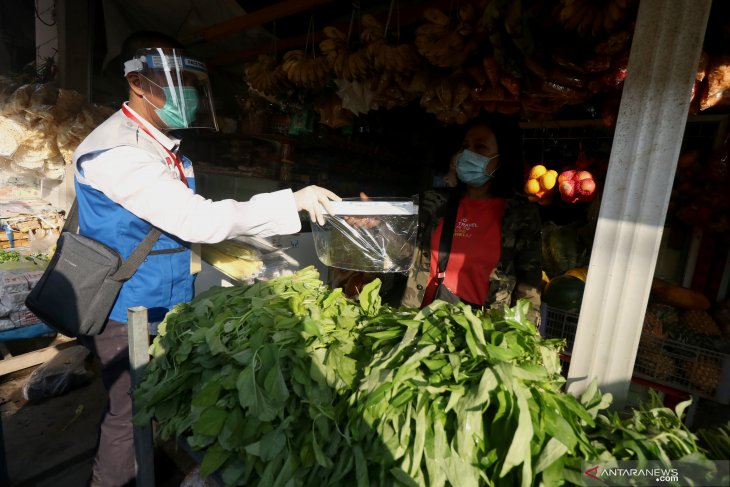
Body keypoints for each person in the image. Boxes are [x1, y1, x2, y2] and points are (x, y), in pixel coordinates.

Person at [74, 32, 339, 487]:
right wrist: (290, 201)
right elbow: (195, 221)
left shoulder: (156, 143)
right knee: (132, 415)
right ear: (137, 82)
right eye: (177, 83)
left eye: (193, 84)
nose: (189, 95)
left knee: (152, 405)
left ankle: (148, 470)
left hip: (159, 299)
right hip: (128, 308)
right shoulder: (118, 150)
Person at [400, 114, 543, 321]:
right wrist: (374, 221)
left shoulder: (520, 215)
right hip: (420, 321)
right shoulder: (433, 203)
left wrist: (526, 335)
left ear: (502, 157)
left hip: (480, 334)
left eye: (480, 147)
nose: (468, 153)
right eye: (465, 146)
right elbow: (400, 244)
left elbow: (529, 286)